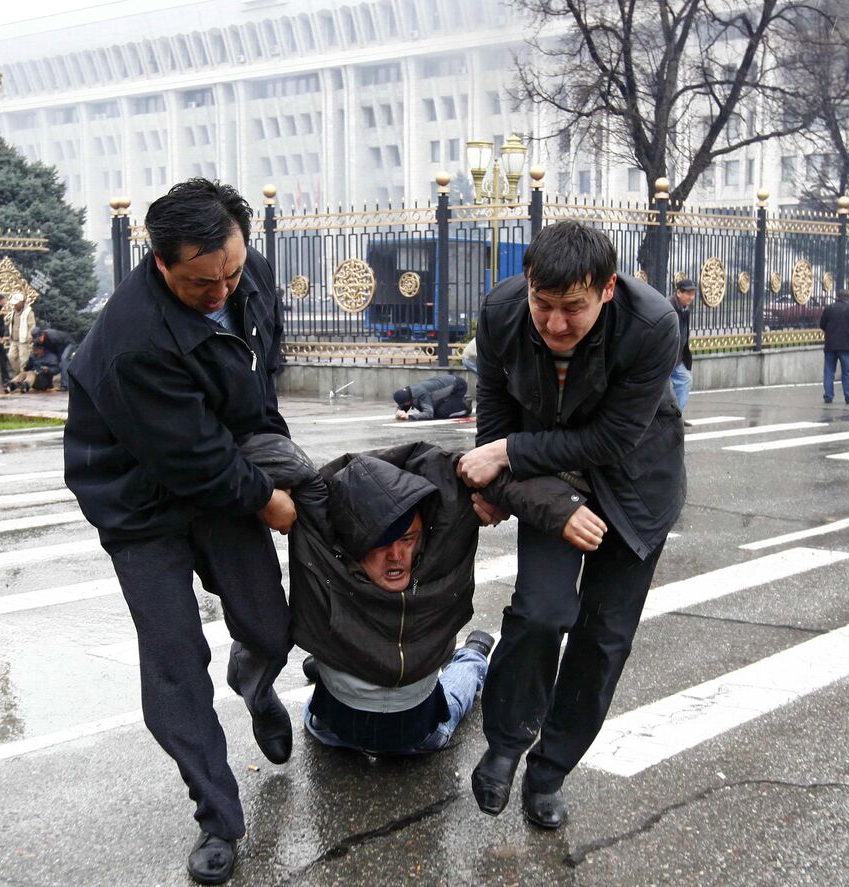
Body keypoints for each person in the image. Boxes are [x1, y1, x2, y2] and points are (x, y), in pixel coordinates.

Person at [63, 178, 296, 887]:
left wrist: (278, 455)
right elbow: (193, 461)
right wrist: (270, 502)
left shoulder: (242, 271)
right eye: (201, 281)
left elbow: (259, 380)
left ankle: (255, 683)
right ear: (161, 264)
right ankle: (217, 816)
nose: (222, 288)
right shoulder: (135, 343)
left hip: (216, 465)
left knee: (272, 624)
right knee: (174, 661)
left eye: (230, 270)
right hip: (139, 501)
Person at [458, 220, 685, 829]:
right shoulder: (503, 313)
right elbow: (494, 428)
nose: (555, 324)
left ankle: (551, 768)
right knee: (541, 611)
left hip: (634, 488)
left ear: (607, 289)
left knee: (602, 639)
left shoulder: (653, 324)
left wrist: (507, 459)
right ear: (527, 284)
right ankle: (506, 743)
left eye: (573, 309)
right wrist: (500, 489)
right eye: (544, 304)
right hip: (552, 488)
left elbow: (612, 439)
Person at [253, 438, 593, 758]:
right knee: (328, 686)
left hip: (421, 737)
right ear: (352, 542)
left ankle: (473, 655)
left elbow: (489, 475)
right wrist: (264, 494)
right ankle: (337, 664)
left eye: (408, 539)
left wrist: (560, 508)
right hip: (331, 731)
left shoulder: (440, 545)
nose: (397, 556)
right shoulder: (324, 544)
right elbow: (260, 447)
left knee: (462, 680)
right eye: (381, 545)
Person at [818, 289, 849, 405]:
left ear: (837, 297)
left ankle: (828, 396)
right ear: (848, 297)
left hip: (830, 344)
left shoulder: (829, 308)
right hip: (846, 344)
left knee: (829, 371)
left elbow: (822, 324)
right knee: (847, 372)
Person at [392, 373, 470, 420]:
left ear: (408, 401)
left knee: (441, 413)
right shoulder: (409, 393)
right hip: (448, 384)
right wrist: (399, 412)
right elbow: (402, 405)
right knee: (436, 408)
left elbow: (429, 413)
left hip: (458, 386)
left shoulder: (421, 394)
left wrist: (410, 416)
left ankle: (465, 408)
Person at [669, 277, 696, 409]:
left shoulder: (685, 309)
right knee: (660, 390)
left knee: (685, 380)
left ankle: (676, 417)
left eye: (693, 293)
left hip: (676, 357)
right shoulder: (670, 307)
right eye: (688, 293)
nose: (691, 297)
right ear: (678, 293)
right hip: (665, 357)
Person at [5, 291, 36, 383]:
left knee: (24, 360)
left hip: (24, 340)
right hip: (14, 340)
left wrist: (30, 337)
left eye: (16, 303)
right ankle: (19, 374)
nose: (15, 305)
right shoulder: (13, 312)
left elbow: (32, 326)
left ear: (21, 302)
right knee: (11, 356)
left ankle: (23, 378)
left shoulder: (29, 312)